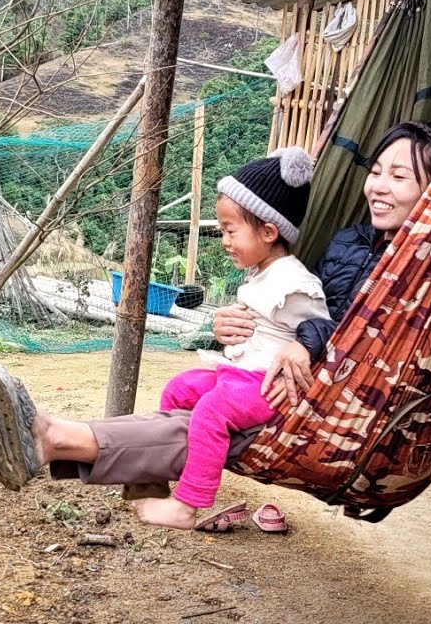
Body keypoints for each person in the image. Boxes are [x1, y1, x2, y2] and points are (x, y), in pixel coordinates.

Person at [0, 121, 431, 525]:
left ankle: (52, 439)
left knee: (209, 417)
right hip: (282, 372)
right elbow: (316, 309)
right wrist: (239, 324)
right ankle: (53, 439)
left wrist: (306, 344)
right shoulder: (349, 241)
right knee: (186, 396)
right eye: (377, 170)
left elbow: (343, 330)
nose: (380, 186)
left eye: (400, 176)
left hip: (343, 408)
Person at [131, 147, 328, 529]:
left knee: (211, 411)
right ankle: (154, 479)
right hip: (236, 374)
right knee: (179, 388)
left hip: (264, 385)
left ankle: (188, 505)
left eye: (230, 230)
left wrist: (303, 345)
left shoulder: (295, 281)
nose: (223, 239)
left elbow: (320, 326)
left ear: (269, 232)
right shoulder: (261, 271)